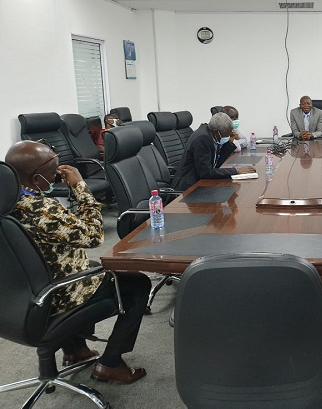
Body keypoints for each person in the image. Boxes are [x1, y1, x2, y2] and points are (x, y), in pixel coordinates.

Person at [5, 140, 151, 384]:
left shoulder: (7, 202)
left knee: (94, 266)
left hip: (19, 296)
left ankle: (75, 351)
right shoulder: (41, 210)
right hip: (56, 294)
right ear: (36, 178)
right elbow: (94, 236)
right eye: (52, 171)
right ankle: (111, 363)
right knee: (137, 284)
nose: (57, 174)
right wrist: (81, 187)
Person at [172, 112, 256, 191]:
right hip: (189, 188)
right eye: (227, 134)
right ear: (216, 132)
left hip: (200, 182)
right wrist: (236, 171)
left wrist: (229, 143)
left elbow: (216, 164)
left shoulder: (212, 134)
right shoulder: (203, 139)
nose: (228, 136)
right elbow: (206, 173)